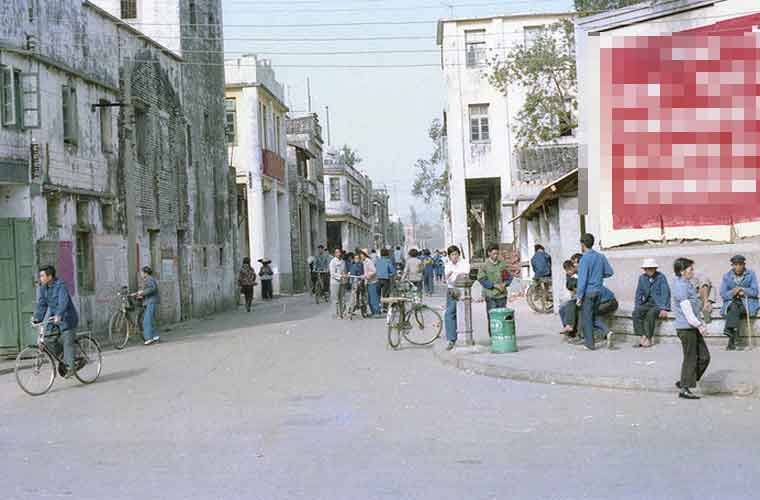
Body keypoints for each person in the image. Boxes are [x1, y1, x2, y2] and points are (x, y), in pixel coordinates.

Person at [672, 257, 710, 399]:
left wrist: (700, 323)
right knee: (691, 358)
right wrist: (700, 325)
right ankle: (685, 388)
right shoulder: (680, 286)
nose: (692, 271)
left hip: (692, 326)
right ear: (682, 271)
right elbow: (687, 311)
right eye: (690, 269)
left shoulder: (686, 283)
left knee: (704, 357)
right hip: (686, 328)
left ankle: (685, 381)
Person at [33, 265, 80, 377]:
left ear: (50, 276)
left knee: (68, 342)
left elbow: (63, 301)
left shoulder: (60, 286)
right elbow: (42, 305)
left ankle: (70, 367)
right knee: (48, 339)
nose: (40, 278)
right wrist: (37, 318)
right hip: (54, 319)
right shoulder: (43, 288)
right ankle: (65, 357)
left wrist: (59, 314)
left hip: (67, 318)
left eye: (42, 276)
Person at [576, 233, 614, 350]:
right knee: (593, 316)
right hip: (599, 290)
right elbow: (609, 272)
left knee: (587, 318)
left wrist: (579, 296)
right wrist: (598, 276)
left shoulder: (584, 259)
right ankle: (606, 331)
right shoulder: (600, 256)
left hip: (588, 292)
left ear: (583, 244)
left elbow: (582, 280)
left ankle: (590, 344)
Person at [719, 255, 759, 351]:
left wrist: (743, 290)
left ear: (744, 265)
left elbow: (755, 291)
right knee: (734, 306)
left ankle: (729, 333)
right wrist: (733, 291)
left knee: (734, 308)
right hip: (732, 302)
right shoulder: (727, 276)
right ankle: (734, 335)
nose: (738, 267)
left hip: (747, 303)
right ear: (732, 265)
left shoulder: (751, 274)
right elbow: (723, 294)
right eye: (735, 265)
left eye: (740, 264)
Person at [632, 258, 671, 348]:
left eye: (651, 268)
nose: (649, 270)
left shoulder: (661, 277)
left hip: (658, 303)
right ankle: (642, 336)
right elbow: (638, 293)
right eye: (647, 269)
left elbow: (665, 292)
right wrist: (637, 306)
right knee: (636, 312)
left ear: (655, 268)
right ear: (644, 269)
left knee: (651, 314)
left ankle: (649, 338)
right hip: (647, 303)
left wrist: (664, 308)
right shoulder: (642, 278)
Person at [477, 243, 512, 336]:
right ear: (489, 253)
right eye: (494, 254)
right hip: (490, 295)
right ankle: (493, 336)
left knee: (502, 316)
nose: (496, 256)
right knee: (492, 317)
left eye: (497, 253)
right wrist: (495, 286)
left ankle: (502, 335)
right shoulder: (484, 266)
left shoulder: (502, 264)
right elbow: (482, 279)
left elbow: (508, 277)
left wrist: (505, 284)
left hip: (502, 295)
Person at [444, 245, 470, 350]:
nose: (454, 256)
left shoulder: (464, 263)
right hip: (451, 291)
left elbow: (464, 275)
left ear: (459, 254)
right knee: (449, 314)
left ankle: (461, 337)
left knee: (455, 313)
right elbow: (448, 279)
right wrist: (455, 275)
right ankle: (451, 339)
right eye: (452, 255)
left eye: (456, 254)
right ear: (449, 256)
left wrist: (454, 275)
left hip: (461, 290)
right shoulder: (447, 265)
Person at [137, 266, 161, 345]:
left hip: (151, 302)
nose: (141, 274)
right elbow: (149, 289)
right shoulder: (148, 279)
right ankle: (156, 336)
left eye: (141, 272)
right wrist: (141, 294)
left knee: (146, 321)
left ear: (145, 273)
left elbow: (152, 289)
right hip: (150, 301)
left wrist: (142, 293)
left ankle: (149, 338)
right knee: (151, 320)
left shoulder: (149, 279)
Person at [559, 260, 579, 336]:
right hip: (574, 295)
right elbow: (569, 286)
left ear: (574, 267)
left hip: (581, 296)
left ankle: (570, 327)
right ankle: (567, 329)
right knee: (561, 309)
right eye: (567, 271)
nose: (569, 272)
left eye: (570, 270)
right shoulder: (569, 275)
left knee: (569, 305)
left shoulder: (580, 273)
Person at [360, 249, 382, 317]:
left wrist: (366, 275)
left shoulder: (369, 261)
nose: (360, 256)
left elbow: (374, 271)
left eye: (361, 254)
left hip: (373, 282)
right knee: (369, 299)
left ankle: (377, 312)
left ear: (364, 254)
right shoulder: (364, 261)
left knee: (373, 298)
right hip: (369, 282)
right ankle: (373, 312)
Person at [329, 248, 348, 317]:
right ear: (335, 254)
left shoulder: (343, 261)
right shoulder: (332, 262)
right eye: (337, 252)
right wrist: (340, 276)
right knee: (335, 299)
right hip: (335, 282)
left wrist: (345, 277)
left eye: (339, 252)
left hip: (342, 282)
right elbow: (332, 273)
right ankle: (336, 314)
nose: (338, 254)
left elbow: (344, 270)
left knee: (342, 298)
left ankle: (342, 313)